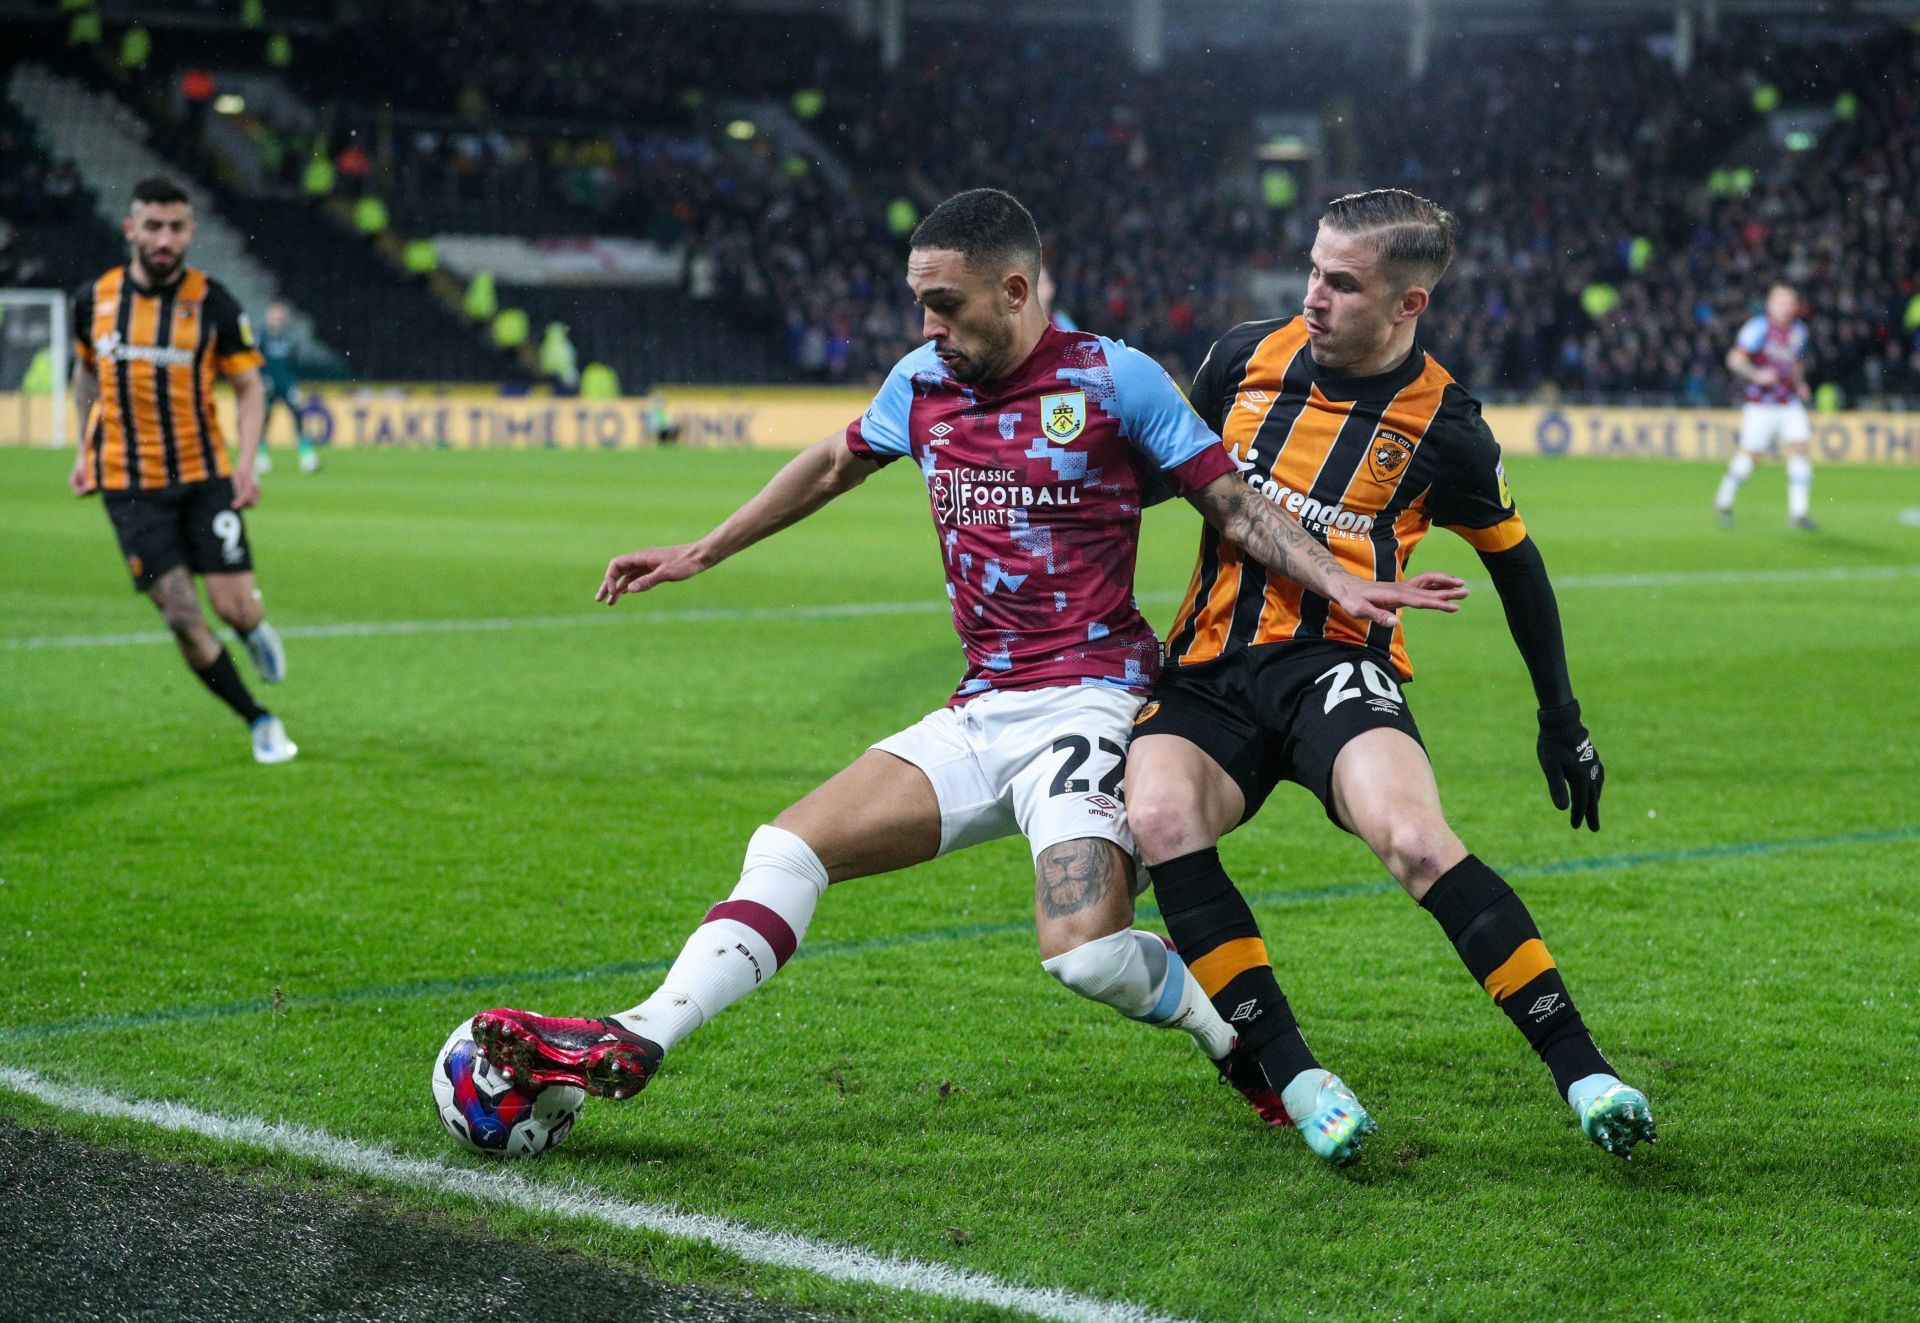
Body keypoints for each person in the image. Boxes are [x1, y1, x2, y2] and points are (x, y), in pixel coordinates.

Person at [469, 191, 1462, 1142]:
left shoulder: (1117, 381)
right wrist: (701, 551)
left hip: (1095, 705)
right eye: (920, 304)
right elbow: (831, 462)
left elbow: (1234, 504)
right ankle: (639, 1032)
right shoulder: (922, 383)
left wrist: (1340, 582)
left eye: (945, 303)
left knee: (1086, 957)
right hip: (982, 708)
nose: (929, 324)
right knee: (788, 848)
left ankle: (1237, 1045)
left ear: (1016, 291)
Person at [1125, 189, 1654, 1165]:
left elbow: (1516, 565)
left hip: (1334, 664)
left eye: (1342, 282)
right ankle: (1296, 1074)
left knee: (1414, 839)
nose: (1313, 296)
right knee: (1160, 823)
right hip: (1204, 670)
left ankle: (1587, 1074)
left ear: (1409, 304)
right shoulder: (1243, 357)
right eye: (1313, 270)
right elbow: (1164, 475)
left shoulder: (1444, 423)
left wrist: (1560, 717)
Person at [69, 176, 296, 764]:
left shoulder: (213, 303)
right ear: (131, 229)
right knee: (179, 613)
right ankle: (259, 720)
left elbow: (249, 388)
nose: (164, 239)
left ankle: (251, 628)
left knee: (232, 605)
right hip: (127, 484)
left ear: (191, 232)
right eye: (153, 226)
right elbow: (87, 375)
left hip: (203, 478)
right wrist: (82, 449)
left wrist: (246, 464)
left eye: (175, 227)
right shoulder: (93, 300)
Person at [1715, 283, 1815, 530]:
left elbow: (1796, 362)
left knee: (1800, 448)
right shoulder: (1758, 328)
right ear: (1770, 305)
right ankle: (1724, 499)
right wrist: (1756, 375)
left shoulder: (1799, 331)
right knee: (1752, 457)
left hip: (1788, 402)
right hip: (1761, 404)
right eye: (1781, 302)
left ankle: (1799, 512)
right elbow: (1735, 359)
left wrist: (1800, 384)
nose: (1785, 308)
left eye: (1790, 303)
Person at [259, 300, 320, 474]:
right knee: (264, 420)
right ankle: (261, 456)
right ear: (268, 316)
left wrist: (295, 385)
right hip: (268, 385)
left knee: (297, 418)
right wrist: (260, 381)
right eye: (274, 314)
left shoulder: (289, 339)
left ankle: (306, 456)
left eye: (280, 315)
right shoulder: (260, 337)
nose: (277, 318)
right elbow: (255, 363)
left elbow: (294, 365)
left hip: (287, 386)